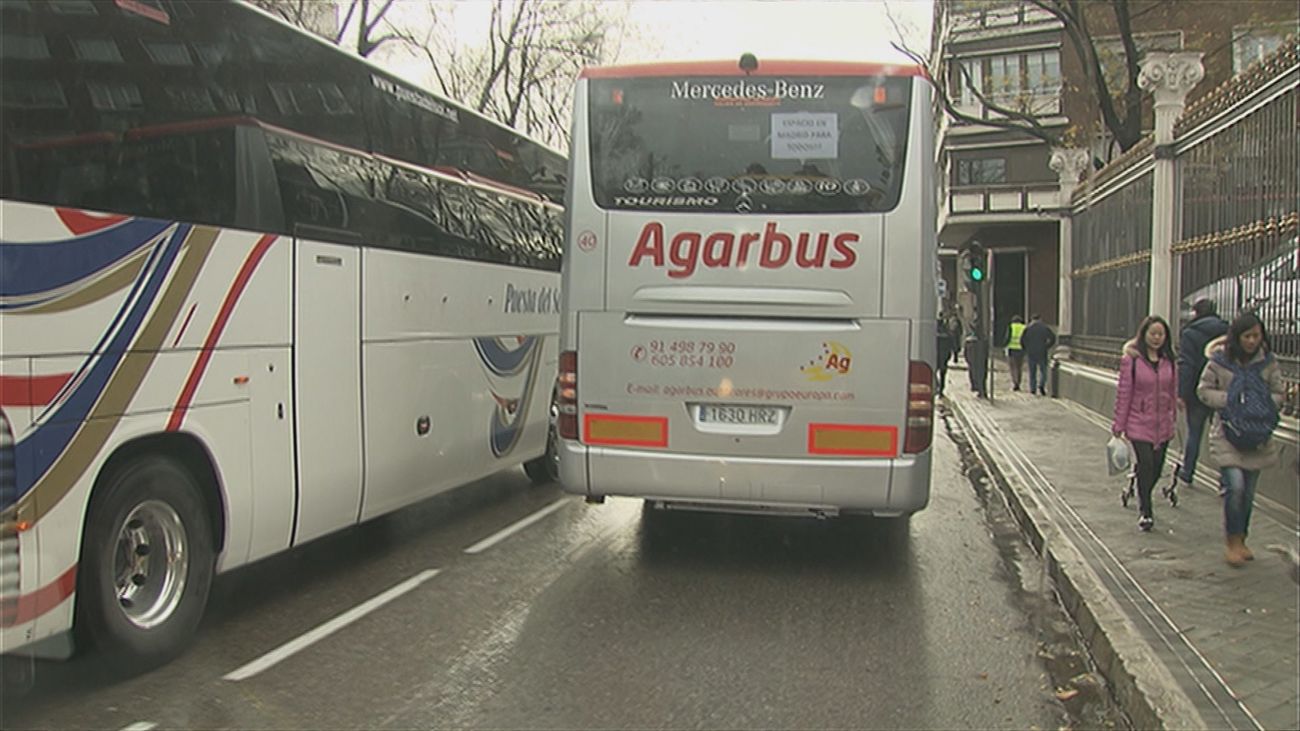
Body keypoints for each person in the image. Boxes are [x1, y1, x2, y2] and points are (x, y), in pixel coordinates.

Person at [1197, 312, 1285, 567]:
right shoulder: (1219, 361)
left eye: (1256, 336)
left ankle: (1242, 537)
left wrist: (1263, 403)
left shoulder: (1268, 362)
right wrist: (1230, 401)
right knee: (1235, 487)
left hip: (1257, 436)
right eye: (1247, 336)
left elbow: (1278, 393)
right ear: (1237, 337)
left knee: (1247, 493)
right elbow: (1203, 390)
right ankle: (1232, 541)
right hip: (1228, 434)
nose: (1252, 341)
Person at [1112, 315, 1177, 532]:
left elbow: (1172, 390)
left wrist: (1173, 417)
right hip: (1138, 421)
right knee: (1146, 463)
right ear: (1144, 334)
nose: (1156, 338)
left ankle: (1140, 487)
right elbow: (1124, 393)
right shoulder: (1132, 360)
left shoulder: (1169, 360)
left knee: (1156, 468)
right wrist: (1119, 426)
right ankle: (1146, 510)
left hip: (1162, 423)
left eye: (1161, 334)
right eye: (1153, 333)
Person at [1175, 299, 1229, 488]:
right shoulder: (1226, 331)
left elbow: (1187, 365)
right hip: (1221, 391)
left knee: (1194, 433)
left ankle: (1188, 471)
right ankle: (1225, 479)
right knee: (1223, 436)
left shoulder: (1190, 333)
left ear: (1196, 313)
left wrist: (1182, 393)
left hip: (1196, 391)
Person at [1021, 314, 1057, 396]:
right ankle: (1042, 384)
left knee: (1032, 372)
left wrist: (1026, 349)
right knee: (1043, 371)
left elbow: (1022, 340)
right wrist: (1047, 346)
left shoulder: (1028, 328)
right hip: (1042, 352)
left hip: (1031, 353)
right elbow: (1053, 338)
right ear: (1040, 319)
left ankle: (1033, 389)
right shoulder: (1044, 328)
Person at [936, 316, 956, 396]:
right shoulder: (948, 334)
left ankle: (938, 387)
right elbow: (952, 345)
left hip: (937, 357)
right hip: (944, 358)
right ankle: (941, 389)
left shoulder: (934, 335)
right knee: (942, 374)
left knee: (935, 372)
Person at [1006, 315, 1026, 391]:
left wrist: (1004, 345)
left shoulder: (1011, 327)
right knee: (1019, 367)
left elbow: (1007, 337)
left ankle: (1015, 382)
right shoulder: (1024, 327)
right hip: (1021, 349)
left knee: (1012, 367)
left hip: (1011, 349)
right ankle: (1018, 382)